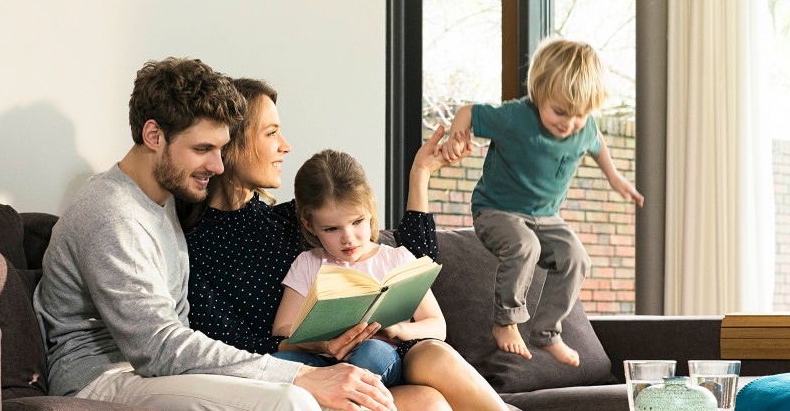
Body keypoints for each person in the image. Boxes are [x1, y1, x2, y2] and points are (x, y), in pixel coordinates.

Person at [34, 58, 395, 411]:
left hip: (155, 373)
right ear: (153, 135)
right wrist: (296, 374)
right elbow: (157, 347)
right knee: (292, 398)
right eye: (202, 149)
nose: (218, 165)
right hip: (101, 378)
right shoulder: (111, 214)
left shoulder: (163, 204)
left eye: (220, 149)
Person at [178, 78, 457, 410]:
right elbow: (229, 345)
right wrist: (319, 344)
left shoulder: (288, 221)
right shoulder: (193, 246)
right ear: (232, 142)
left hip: (355, 366)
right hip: (286, 380)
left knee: (431, 398)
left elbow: (415, 262)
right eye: (271, 133)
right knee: (427, 402)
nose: (285, 146)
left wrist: (420, 174)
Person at [438, 38, 645, 366]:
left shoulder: (583, 126)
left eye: (579, 116)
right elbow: (468, 113)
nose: (569, 124)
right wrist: (456, 136)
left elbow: (596, 141)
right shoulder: (516, 117)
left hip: (547, 217)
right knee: (525, 246)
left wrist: (615, 178)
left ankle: (547, 333)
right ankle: (505, 322)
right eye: (560, 112)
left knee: (577, 258)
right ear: (538, 93)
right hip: (496, 210)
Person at [269, 144, 506, 411]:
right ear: (310, 225)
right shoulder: (309, 263)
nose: (348, 237)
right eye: (332, 228)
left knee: (372, 352)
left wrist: (397, 330)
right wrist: (323, 340)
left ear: (370, 210)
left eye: (356, 222)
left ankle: (349, 397)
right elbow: (282, 332)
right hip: (325, 365)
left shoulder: (396, 259)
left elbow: (437, 326)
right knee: (282, 362)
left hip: (380, 361)